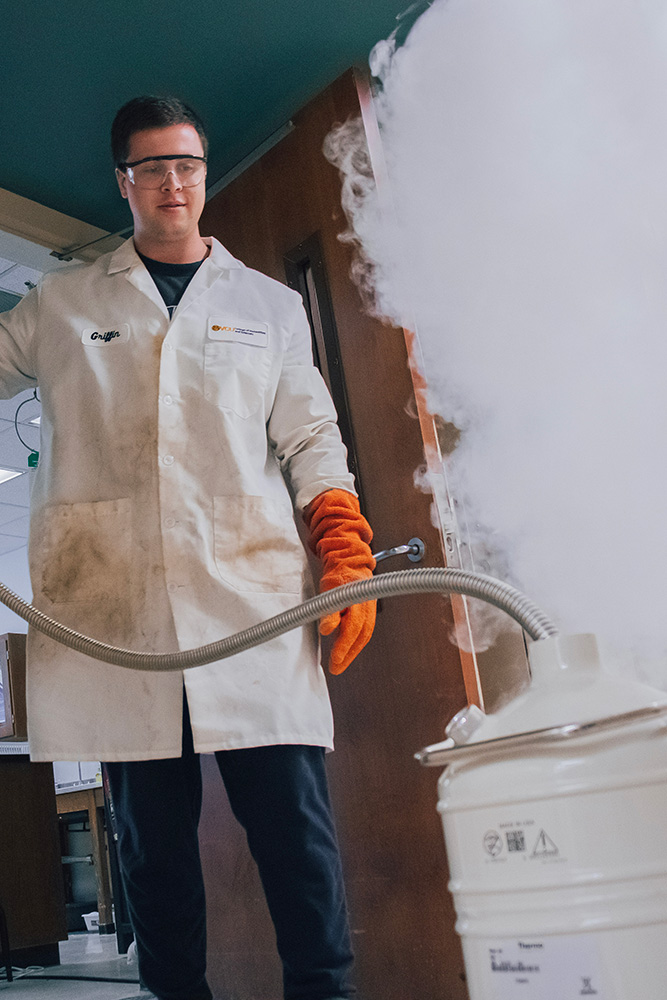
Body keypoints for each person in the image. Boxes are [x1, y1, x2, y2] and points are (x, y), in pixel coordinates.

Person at [0, 95, 377, 1000]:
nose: (174, 185)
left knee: (297, 840)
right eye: (153, 168)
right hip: (115, 613)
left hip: (248, 603)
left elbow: (310, 437)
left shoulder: (269, 305)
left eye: (188, 166)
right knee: (154, 857)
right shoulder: (59, 304)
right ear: (122, 183)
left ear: (203, 174)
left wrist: (342, 540)